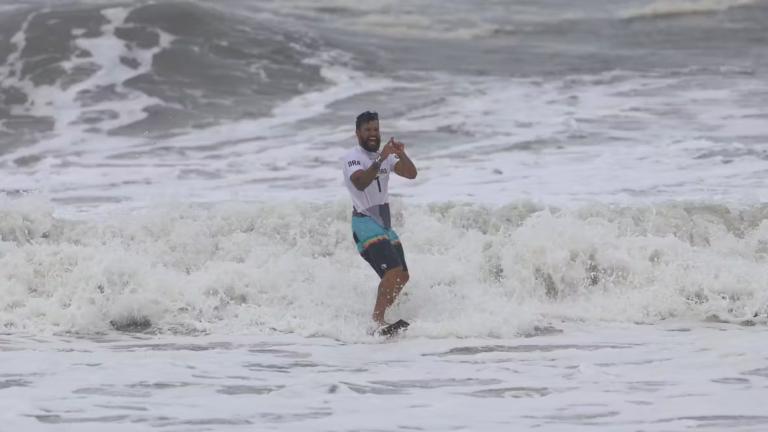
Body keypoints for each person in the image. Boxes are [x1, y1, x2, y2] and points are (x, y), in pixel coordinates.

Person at [342, 111, 418, 331]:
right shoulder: (353, 157)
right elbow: (360, 183)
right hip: (364, 222)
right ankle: (376, 321)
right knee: (392, 271)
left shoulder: (384, 156)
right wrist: (381, 158)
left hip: (383, 225)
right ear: (358, 133)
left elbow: (411, 174)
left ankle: (381, 319)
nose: (373, 134)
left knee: (402, 276)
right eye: (368, 130)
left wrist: (401, 155)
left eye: (376, 129)